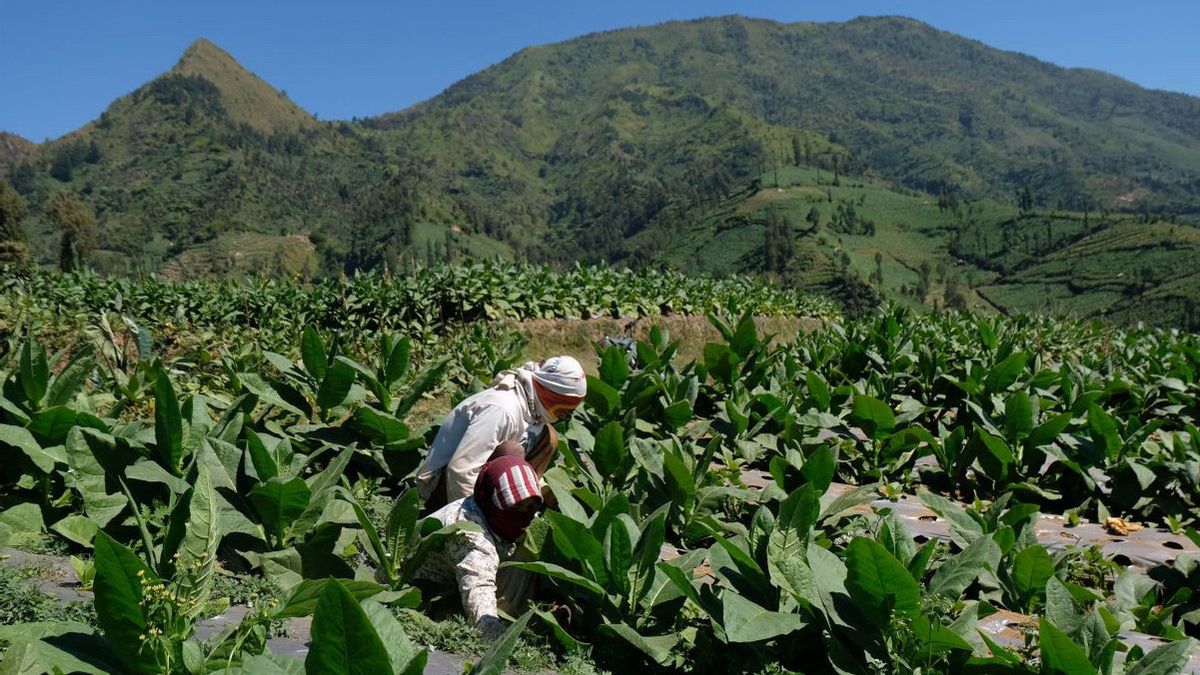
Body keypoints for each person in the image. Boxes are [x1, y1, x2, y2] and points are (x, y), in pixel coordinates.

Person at [416, 356, 586, 510]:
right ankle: (503, 510)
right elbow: (460, 471)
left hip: (481, 481)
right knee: (511, 452)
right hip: (444, 488)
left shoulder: (533, 406)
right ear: (550, 393)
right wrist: (473, 524)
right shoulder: (501, 409)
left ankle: (522, 499)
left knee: (549, 437)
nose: (566, 415)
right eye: (564, 408)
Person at [414, 454, 542, 639]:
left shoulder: (483, 506)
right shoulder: (471, 539)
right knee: (523, 558)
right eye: (515, 507)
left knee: (529, 547)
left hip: (453, 579)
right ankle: (521, 622)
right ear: (490, 499)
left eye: (530, 507)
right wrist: (500, 639)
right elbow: (481, 610)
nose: (524, 515)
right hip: (419, 592)